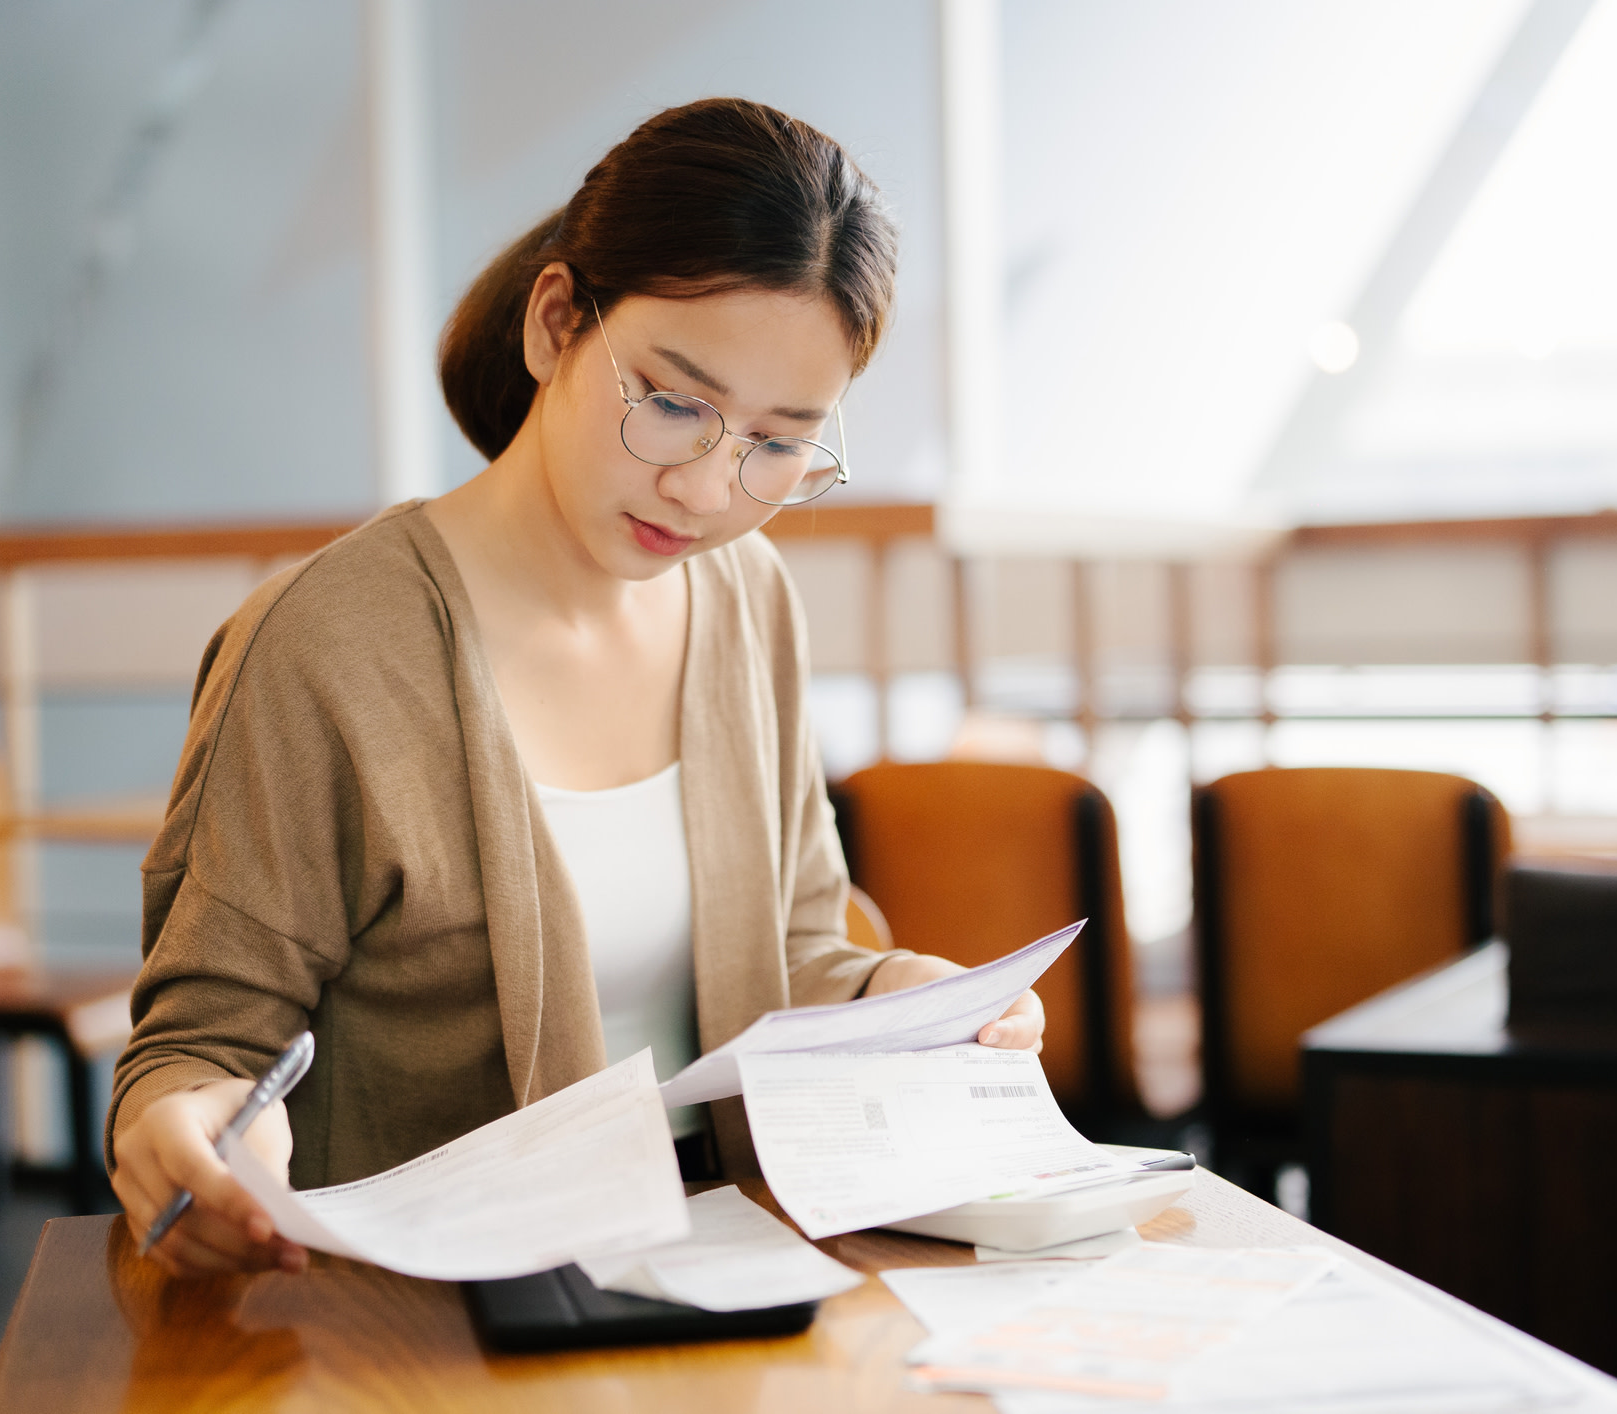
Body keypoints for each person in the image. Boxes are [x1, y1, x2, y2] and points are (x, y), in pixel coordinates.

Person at [107, 98, 1045, 1278]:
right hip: (417, 1316)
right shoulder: (326, 642)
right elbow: (202, 1043)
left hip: (726, 1273)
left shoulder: (749, 600)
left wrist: (900, 991)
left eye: (777, 442)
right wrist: (184, 1126)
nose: (708, 489)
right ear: (558, 323)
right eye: (671, 403)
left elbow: (796, 945)